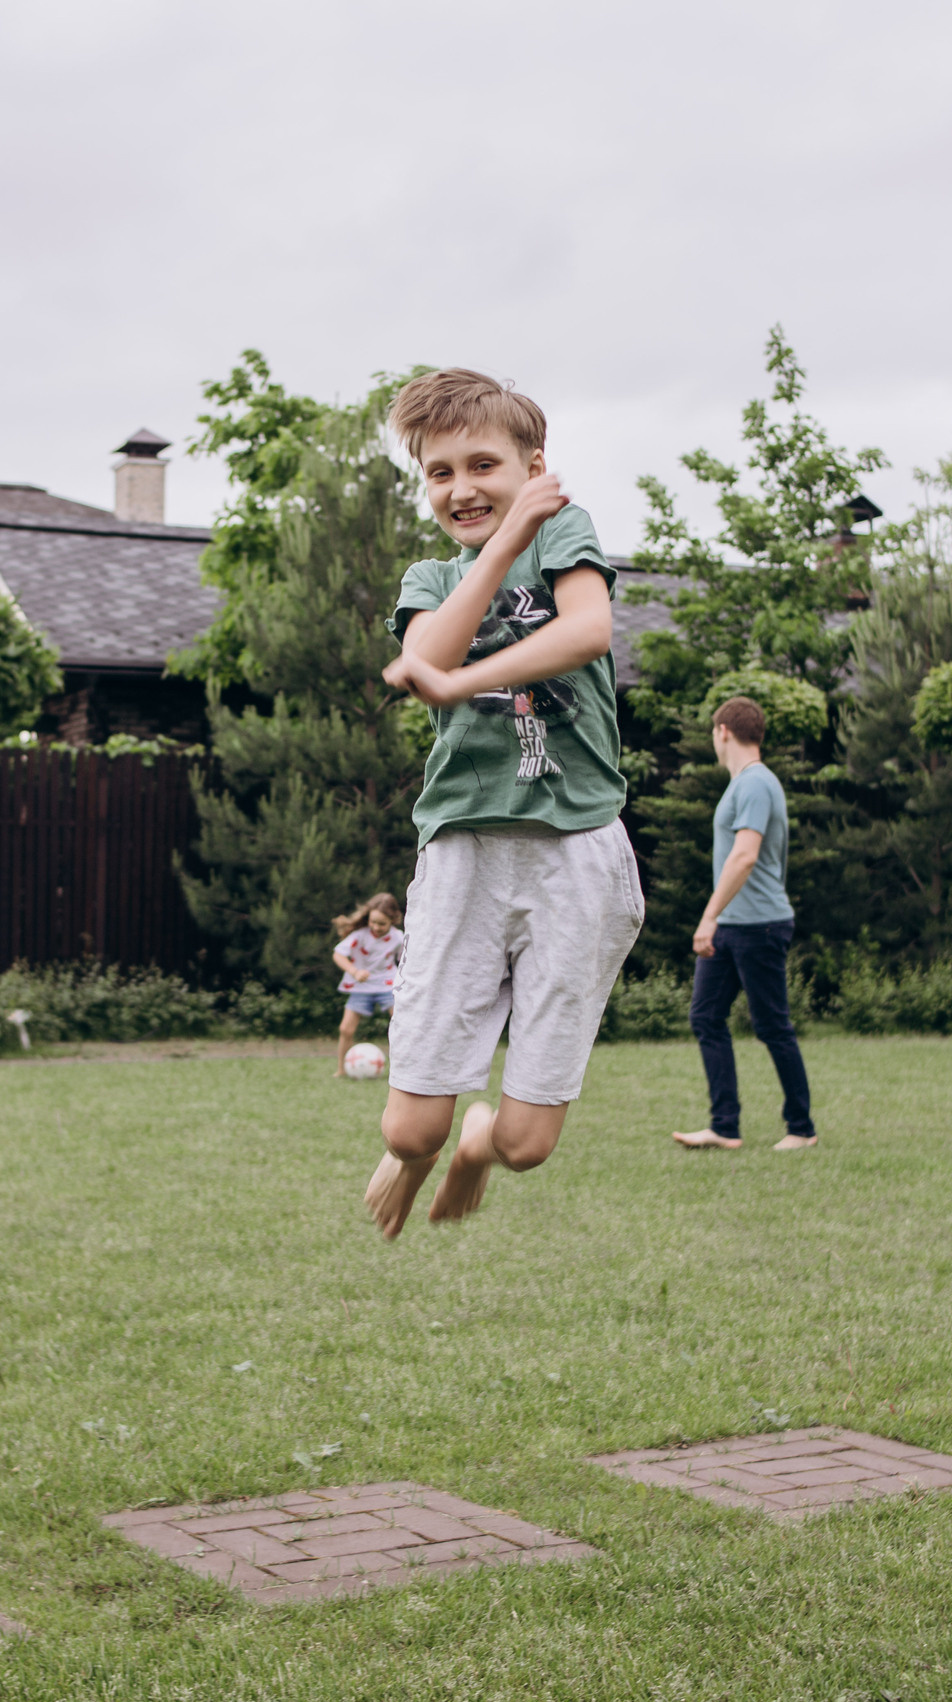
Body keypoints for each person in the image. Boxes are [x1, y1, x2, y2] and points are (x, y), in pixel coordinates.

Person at [365, 369, 644, 1239]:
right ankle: (422, 1151)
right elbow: (430, 654)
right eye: (439, 473)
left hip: (577, 852)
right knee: (409, 1126)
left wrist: (463, 676)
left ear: (535, 465)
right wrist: (497, 543)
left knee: (525, 1145)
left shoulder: (565, 531)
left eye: (483, 464)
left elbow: (586, 631)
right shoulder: (428, 574)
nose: (461, 487)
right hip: (465, 848)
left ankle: (480, 1141)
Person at [672, 696, 818, 1153]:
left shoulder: (755, 783)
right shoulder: (743, 784)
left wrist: (708, 916)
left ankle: (802, 1128)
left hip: (759, 926)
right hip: (734, 925)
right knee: (706, 1016)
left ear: (723, 733)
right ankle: (724, 1126)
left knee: (773, 1025)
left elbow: (745, 854)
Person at [330, 892, 405, 1074]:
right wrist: (355, 971)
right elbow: (338, 954)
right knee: (346, 1029)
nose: (376, 927)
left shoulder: (398, 937)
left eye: (382, 924)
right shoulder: (360, 935)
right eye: (373, 922)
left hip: (388, 984)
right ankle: (342, 1070)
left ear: (393, 919)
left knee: (402, 1025)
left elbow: (405, 961)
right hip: (361, 986)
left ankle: (403, 1070)